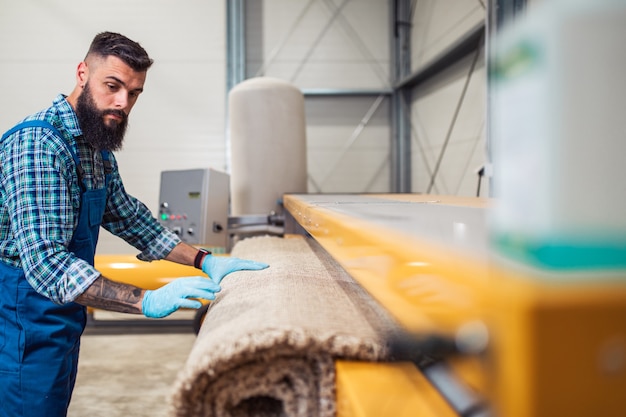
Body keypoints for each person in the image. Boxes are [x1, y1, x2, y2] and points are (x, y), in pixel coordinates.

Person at [0, 32, 269, 417]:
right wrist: (145, 299)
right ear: (81, 73)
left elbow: (128, 215)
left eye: (134, 93)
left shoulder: (95, 145)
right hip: (22, 319)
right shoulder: (38, 144)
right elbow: (46, 264)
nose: (122, 103)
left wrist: (204, 260)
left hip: (60, 318)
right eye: (112, 86)